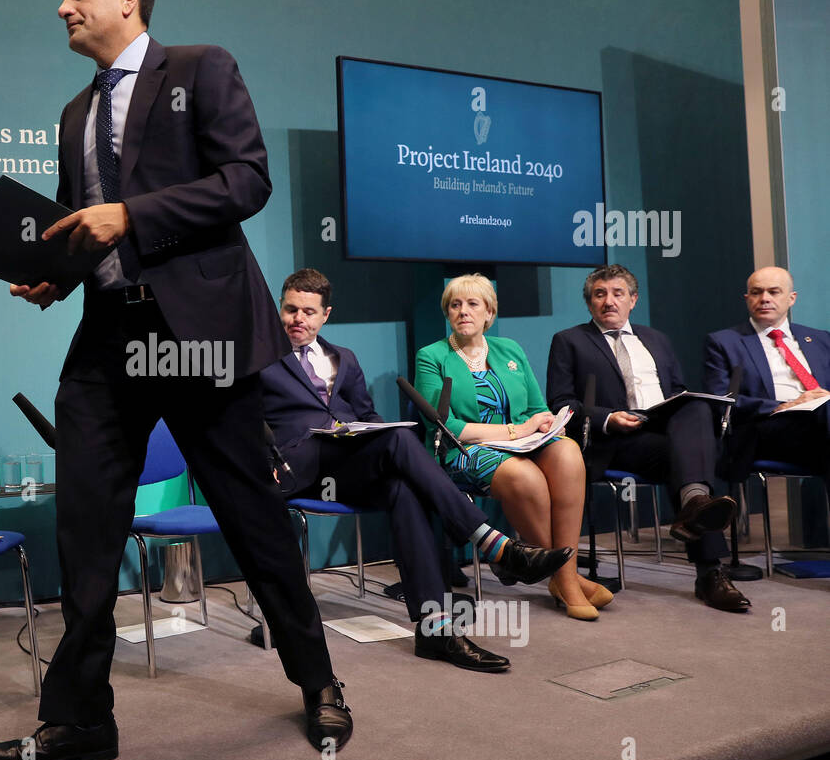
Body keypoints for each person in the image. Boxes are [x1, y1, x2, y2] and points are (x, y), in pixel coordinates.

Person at [0, 0, 350, 760]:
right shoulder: (74, 113)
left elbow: (247, 182)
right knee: (86, 528)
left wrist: (132, 215)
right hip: (108, 338)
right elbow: (86, 228)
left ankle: (318, 678)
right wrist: (55, 278)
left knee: (253, 519)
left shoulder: (202, 68)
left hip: (203, 333)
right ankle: (79, 718)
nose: (62, 6)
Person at [262, 269, 571, 671]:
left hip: (344, 471)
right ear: (280, 309)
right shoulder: (259, 357)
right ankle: (493, 543)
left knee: (403, 488)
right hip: (296, 466)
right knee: (400, 441)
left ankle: (436, 630)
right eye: (290, 309)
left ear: (325, 315)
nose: (297, 319)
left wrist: (369, 429)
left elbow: (367, 415)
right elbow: (238, 420)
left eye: (308, 311)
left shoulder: (344, 358)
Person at [547, 264, 745, 612]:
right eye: (600, 294)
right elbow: (561, 404)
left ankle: (695, 505)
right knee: (685, 459)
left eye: (618, 293)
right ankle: (710, 571)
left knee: (695, 409)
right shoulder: (569, 341)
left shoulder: (656, 339)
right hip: (616, 441)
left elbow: (677, 392)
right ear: (589, 302)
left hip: (664, 430)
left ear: (633, 300)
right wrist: (607, 418)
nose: (609, 301)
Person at [414, 274, 598, 619]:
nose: (463, 312)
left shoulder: (509, 350)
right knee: (525, 476)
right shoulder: (432, 356)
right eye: (455, 305)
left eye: (472, 304)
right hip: (463, 452)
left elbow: (535, 408)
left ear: (489, 313)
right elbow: (445, 425)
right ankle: (567, 578)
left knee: (568, 451)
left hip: (523, 442)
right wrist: (514, 432)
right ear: (447, 313)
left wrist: (542, 423)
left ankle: (562, 573)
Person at [705, 265, 830, 485]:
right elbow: (721, 401)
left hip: (820, 428)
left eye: (773, 292)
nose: (764, 299)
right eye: (756, 292)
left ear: (792, 298)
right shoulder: (725, 342)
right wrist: (786, 405)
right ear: (747, 298)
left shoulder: (820, 339)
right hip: (769, 429)